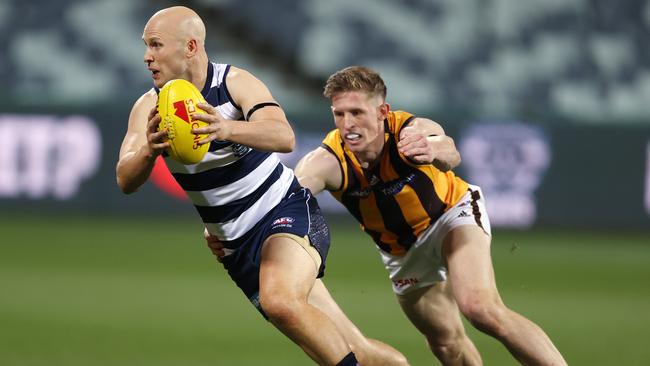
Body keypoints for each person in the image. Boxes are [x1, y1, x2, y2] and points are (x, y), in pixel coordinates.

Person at [209, 66, 567, 365]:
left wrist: (432, 148)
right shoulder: (328, 161)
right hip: (401, 253)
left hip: (450, 216)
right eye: (339, 114)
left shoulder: (409, 133)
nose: (348, 124)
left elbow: (450, 151)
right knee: (444, 342)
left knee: (480, 309)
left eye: (357, 112)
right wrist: (233, 231)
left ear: (382, 112)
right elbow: (282, 198)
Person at [116, 7, 408, 366]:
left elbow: (284, 136)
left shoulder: (235, 82)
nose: (147, 56)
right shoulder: (148, 108)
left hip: (283, 211)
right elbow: (125, 179)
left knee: (280, 301)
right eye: (146, 46)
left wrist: (225, 129)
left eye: (156, 45)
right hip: (235, 247)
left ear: (190, 46)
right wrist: (147, 149)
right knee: (357, 349)